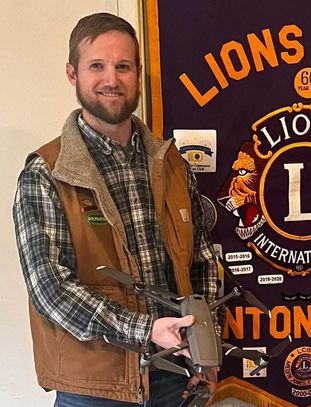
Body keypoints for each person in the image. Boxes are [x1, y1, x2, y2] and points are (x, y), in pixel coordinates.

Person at [13, 12, 219, 406]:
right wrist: (146, 330)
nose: (112, 79)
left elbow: (203, 261)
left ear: (138, 72)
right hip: (93, 390)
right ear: (73, 74)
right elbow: (50, 288)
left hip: (175, 377)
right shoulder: (46, 173)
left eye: (123, 66)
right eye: (97, 66)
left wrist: (204, 345)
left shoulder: (172, 163)